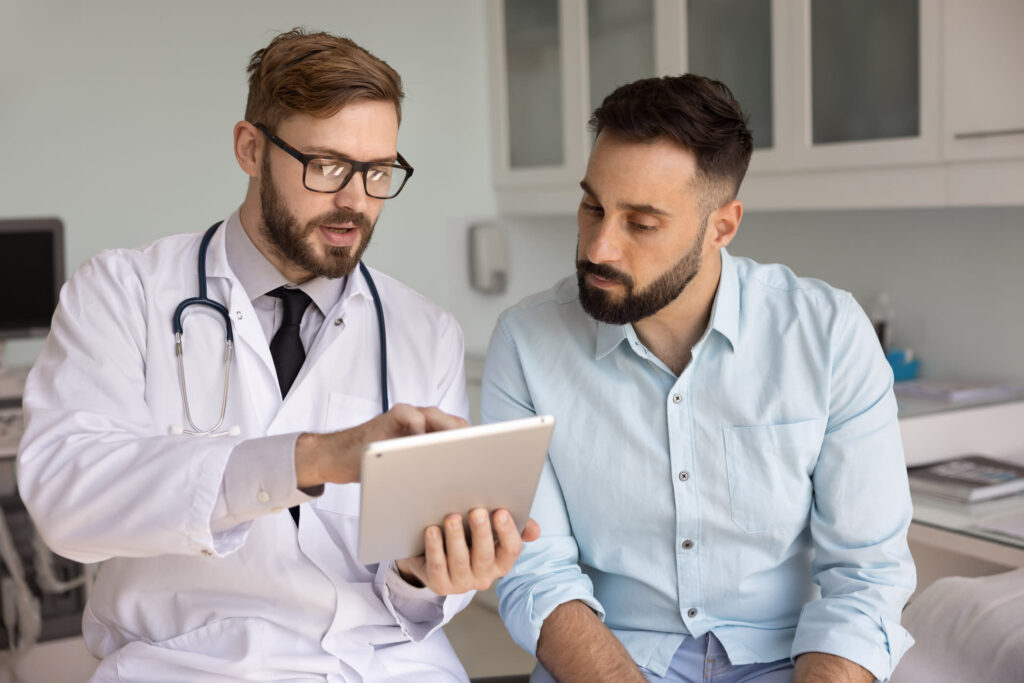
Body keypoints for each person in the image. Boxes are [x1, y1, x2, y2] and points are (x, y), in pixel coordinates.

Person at [18, 29, 536, 682]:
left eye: (378, 173)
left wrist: (429, 572)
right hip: (186, 662)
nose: (356, 200)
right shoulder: (124, 292)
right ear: (250, 149)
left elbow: (416, 595)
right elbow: (69, 497)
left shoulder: (423, 330)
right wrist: (314, 457)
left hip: (386, 666)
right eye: (327, 167)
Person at [483, 74, 915, 682]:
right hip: (610, 661)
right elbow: (536, 570)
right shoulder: (526, 343)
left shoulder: (829, 334)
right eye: (592, 207)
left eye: (642, 222)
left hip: (787, 663)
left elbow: (866, 574)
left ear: (722, 226)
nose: (599, 247)